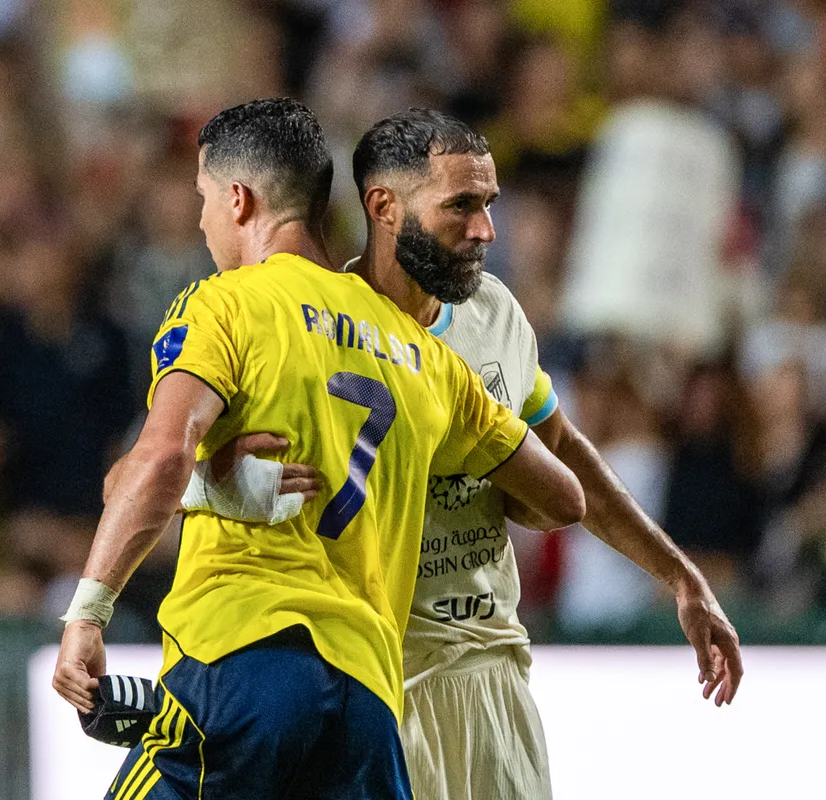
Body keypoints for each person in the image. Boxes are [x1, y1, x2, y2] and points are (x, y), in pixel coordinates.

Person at [192, 108, 744, 800]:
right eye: (462, 206)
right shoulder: (312, 325)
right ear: (384, 207)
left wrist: (681, 578)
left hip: (489, 676)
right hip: (369, 683)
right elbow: (196, 464)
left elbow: (565, 451)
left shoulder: (494, 314)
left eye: (488, 205)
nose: (485, 230)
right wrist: (213, 477)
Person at [50, 98, 585, 800]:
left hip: (239, 662)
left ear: (238, 199)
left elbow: (152, 464)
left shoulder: (227, 305)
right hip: (364, 704)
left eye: (205, 199)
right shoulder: (420, 352)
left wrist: (89, 614)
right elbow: (563, 497)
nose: (203, 219)